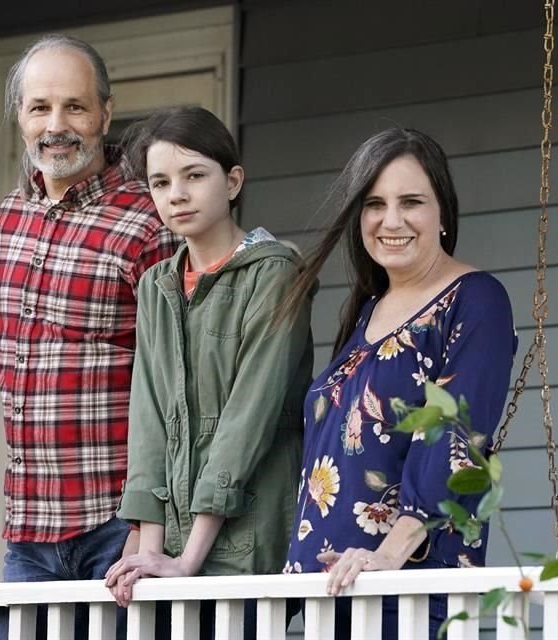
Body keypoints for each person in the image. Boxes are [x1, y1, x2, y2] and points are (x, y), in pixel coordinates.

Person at [0, 34, 180, 639]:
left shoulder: (149, 221)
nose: (58, 125)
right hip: (29, 535)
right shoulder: (18, 215)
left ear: (105, 111)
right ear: (19, 119)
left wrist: (152, 523)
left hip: (118, 531)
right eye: (40, 108)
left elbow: (183, 382)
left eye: (75, 107)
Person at [279, 128, 518, 639]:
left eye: (411, 201)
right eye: (374, 204)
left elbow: (456, 436)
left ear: (442, 213)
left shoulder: (474, 300)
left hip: (406, 591)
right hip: (333, 593)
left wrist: (387, 555)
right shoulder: (367, 312)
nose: (391, 220)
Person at [103, 107, 314, 635]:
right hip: (171, 547)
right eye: (160, 182)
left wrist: (188, 558)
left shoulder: (275, 273)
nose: (177, 193)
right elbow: (148, 420)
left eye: (195, 175)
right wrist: (150, 551)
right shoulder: (157, 286)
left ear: (233, 181)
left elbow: (249, 421)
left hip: (249, 536)